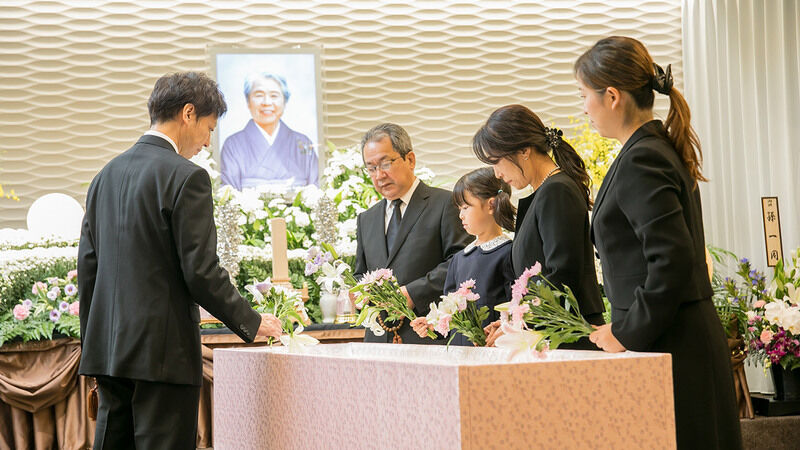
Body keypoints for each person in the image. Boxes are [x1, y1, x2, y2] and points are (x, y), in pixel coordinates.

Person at [77, 72, 282, 450]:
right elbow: (201, 271)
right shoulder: (187, 177)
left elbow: (88, 271)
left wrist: (93, 347)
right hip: (163, 357)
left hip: (107, 355)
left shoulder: (104, 176)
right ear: (188, 113)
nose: (207, 142)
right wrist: (253, 322)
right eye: (208, 128)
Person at [576, 36, 742, 449]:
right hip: (675, 340)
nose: (583, 108)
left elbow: (672, 259)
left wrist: (626, 332)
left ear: (611, 96)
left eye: (584, 96)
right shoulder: (649, 149)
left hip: (676, 344)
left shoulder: (642, 157)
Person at [474, 105, 605, 348]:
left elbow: (561, 275)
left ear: (524, 150)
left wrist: (519, 325)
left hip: (568, 336)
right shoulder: (545, 192)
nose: (497, 174)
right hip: (553, 334)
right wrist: (511, 321)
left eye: (497, 162)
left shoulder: (557, 190)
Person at [354, 123, 471, 344]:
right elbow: (360, 274)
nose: (379, 175)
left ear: (410, 160)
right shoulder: (366, 219)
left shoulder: (446, 204)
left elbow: (461, 262)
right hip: (379, 339)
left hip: (430, 336)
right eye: (371, 168)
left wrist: (413, 293)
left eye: (385, 163)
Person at [410, 167, 516, 346]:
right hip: (461, 355)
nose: (460, 215)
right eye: (459, 208)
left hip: (494, 354)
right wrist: (433, 324)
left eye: (466, 207)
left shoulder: (509, 253)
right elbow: (451, 314)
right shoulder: (458, 259)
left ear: (491, 205)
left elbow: (517, 311)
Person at [220, 71, 318, 190]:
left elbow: (315, 193)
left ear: (285, 102)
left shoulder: (303, 143)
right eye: (259, 95)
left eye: (274, 96)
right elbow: (229, 196)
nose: (267, 102)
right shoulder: (233, 145)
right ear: (248, 102)